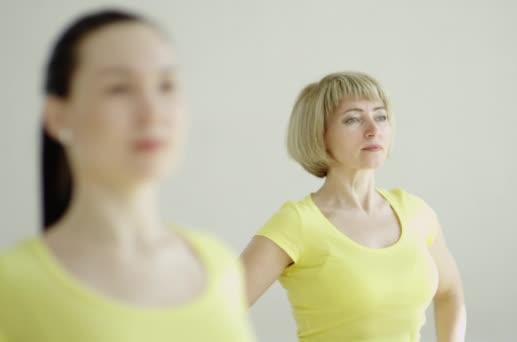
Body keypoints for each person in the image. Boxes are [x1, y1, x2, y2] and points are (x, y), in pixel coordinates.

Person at [0, 9, 254, 342]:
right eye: (119, 88)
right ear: (57, 116)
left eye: (166, 85)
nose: (152, 112)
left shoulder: (221, 266)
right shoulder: (13, 285)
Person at [241, 71, 466, 342]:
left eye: (380, 116)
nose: (373, 129)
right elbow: (218, 308)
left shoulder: (416, 213)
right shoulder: (298, 223)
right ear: (320, 135)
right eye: (353, 119)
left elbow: (450, 293)